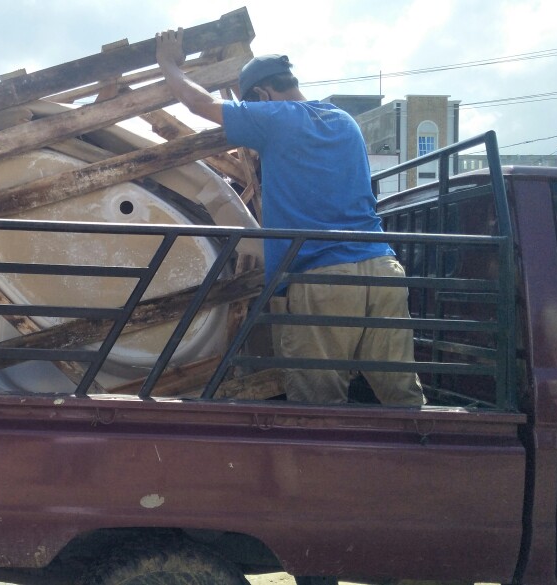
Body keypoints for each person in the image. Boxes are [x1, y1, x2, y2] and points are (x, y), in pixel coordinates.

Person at [155, 29, 424, 406]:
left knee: (317, 403)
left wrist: (168, 64)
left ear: (262, 96)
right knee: (401, 396)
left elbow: (198, 104)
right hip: (381, 269)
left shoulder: (277, 118)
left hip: (323, 279)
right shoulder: (345, 121)